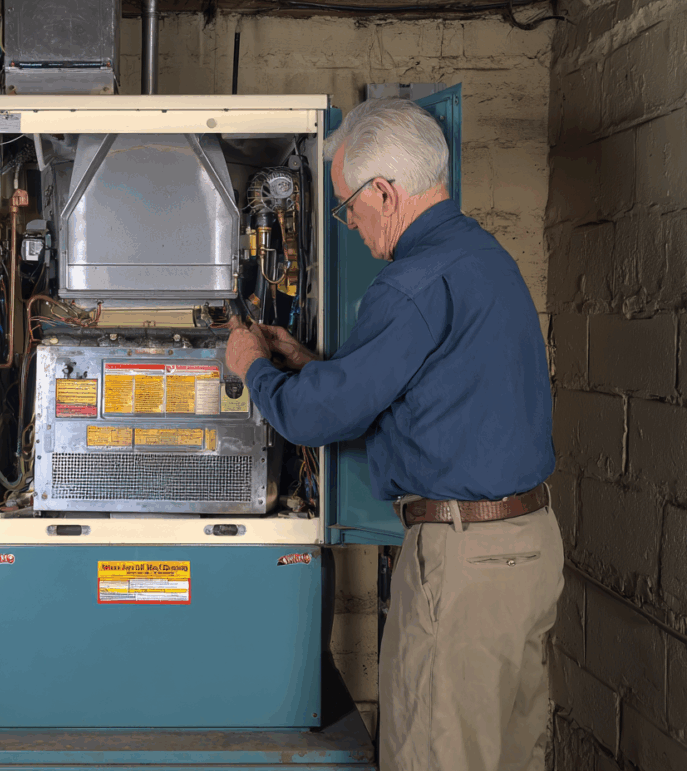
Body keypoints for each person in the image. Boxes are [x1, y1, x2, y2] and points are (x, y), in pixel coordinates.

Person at [224, 98, 563, 771]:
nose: (348, 222)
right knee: (509, 755)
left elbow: (319, 418)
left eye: (348, 205)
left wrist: (253, 368)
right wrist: (313, 365)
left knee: (439, 754)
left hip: (464, 567)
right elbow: (422, 393)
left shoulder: (409, 281)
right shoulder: (482, 257)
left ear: (385, 190)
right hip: (526, 551)